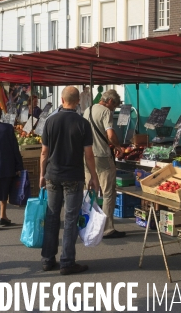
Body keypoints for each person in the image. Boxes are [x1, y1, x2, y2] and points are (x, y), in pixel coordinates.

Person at [40, 86, 99, 275]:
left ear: (62, 100)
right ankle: (67, 262)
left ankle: (48, 259)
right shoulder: (83, 124)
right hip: (73, 176)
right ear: (78, 102)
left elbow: (44, 153)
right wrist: (94, 177)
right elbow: (89, 155)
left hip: (52, 175)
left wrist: (42, 174)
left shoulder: (50, 122)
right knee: (71, 219)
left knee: (51, 217)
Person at [83, 88, 125, 239]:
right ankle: (107, 229)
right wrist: (118, 147)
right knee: (108, 193)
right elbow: (110, 134)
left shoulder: (88, 110)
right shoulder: (106, 112)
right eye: (115, 106)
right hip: (102, 156)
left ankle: (87, 222)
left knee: (90, 191)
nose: (114, 109)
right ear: (110, 101)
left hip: (87, 155)